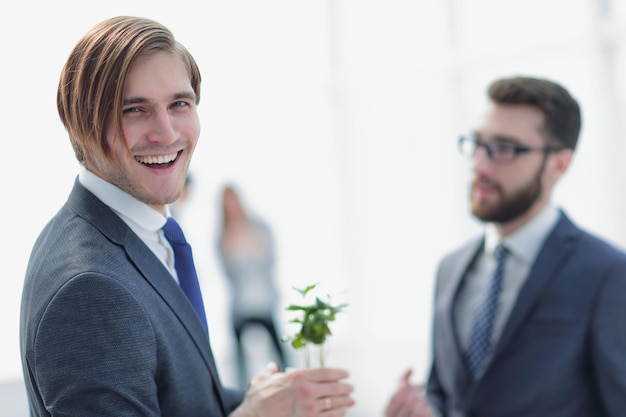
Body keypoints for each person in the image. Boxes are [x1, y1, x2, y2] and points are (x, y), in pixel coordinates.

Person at [20, 16, 354, 417]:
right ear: (81, 123)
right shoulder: (90, 288)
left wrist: (264, 399)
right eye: (134, 109)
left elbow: (183, 399)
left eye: (179, 104)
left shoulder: (141, 235)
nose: (166, 132)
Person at [385, 75, 626, 417]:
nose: (480, 166)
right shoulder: (451, 268)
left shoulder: (608, 274)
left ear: (559, 164)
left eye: (505, 149)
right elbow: (448, 394)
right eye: (478, 144)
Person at [217, 184, 289, 388]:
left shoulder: (260, 227)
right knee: (239, 356)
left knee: (279, 351)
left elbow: (271, 260)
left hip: (265, 300)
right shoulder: (223, 235)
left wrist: (249, 247)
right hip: (240, 304)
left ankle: (286, 385)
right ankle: (244, 393)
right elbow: (228, 272)